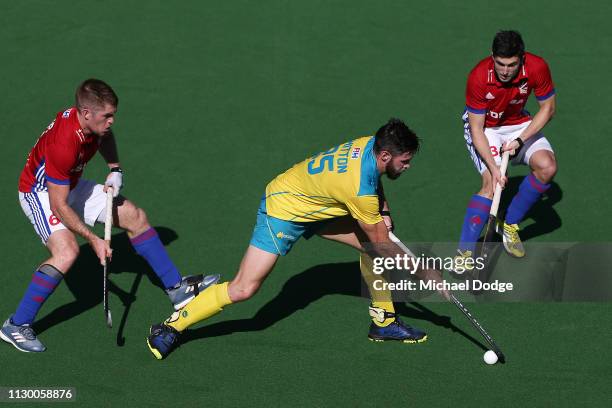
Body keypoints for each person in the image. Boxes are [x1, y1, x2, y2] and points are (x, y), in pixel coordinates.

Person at [146, 118, 449, 360]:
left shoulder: (368, 145)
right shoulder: (358, 187)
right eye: (404, 162)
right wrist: (427, 274)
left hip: (314, 202)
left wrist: (383, 210)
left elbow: (374, 184)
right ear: (386, 155)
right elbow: (382, 242)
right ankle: (171, 326)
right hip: (284, 210)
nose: (407, 167)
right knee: (244, 288)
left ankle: (383, 320)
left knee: (371, 248)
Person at [1, 79, 218, 353]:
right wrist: (93, 239)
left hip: (69, 184)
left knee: (134, 216)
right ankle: (16, 325)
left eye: (113, 114)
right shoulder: (63, 144)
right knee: (66, 252)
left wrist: (115, 168)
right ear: (87, 113)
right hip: (41, 194)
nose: (112, 121)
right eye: (107, 116)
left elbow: (104, 136)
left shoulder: (93, 123)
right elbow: (58, 205)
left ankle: (177, 290)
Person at [456, 30, 557, 264]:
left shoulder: (537, 67)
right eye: (500, 64)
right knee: (491, 185)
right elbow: (476, 129)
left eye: (511, 65)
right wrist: (494, 168)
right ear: (492, 56)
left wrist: (520, 140)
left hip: (518, 124)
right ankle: (464, 253)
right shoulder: (479, 76)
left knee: (547, 167)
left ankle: (508, 223)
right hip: (486, 129)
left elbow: (548, 109)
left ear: (521, 58)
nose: (504, 71)